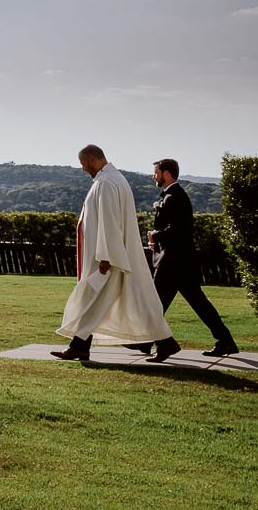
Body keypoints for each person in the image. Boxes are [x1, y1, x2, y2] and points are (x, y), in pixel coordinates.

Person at [53, 145, 179, 362]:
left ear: (93, 160)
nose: (83, 169)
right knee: (131, 299)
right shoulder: (111, 180)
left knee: (99, 300)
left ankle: (79, 347)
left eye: (83, 164)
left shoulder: (107, 183)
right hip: (115, 255)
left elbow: (109, 222)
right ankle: (166, 343)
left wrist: (106, 256)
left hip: (109, 258)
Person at [139, 159, 240, 358]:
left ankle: (152, 343)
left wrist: (155, 235)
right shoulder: (172, 195)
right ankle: (225, 341)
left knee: (154, 302)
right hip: (180, 261)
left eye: (156, 172)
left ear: (166, 174)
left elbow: (179, 230)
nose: (154, 176)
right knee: (197, 303)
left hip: (172, 262)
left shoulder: (175, 197)